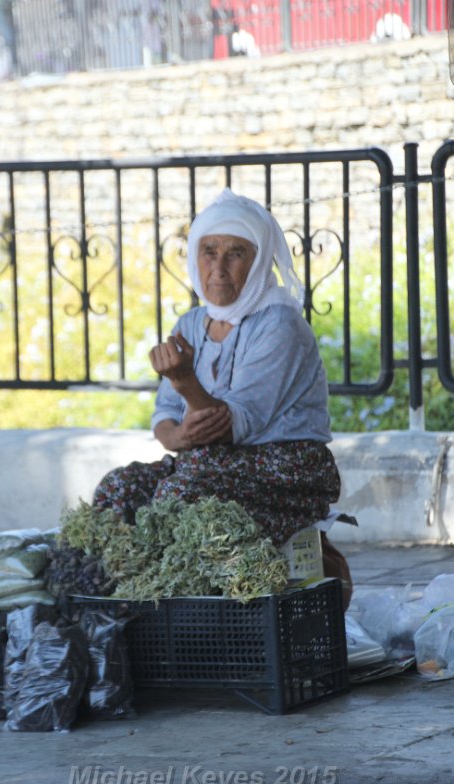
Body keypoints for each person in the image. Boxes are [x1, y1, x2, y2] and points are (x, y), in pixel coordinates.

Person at [93, 189, 352, 607]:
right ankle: (123, 609)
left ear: (260, 259)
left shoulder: (280, 324)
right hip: (208, 462)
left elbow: (231, 425)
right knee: (119, 490)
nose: (219, 268)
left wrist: (185, 381)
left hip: (285, 469)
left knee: (179, 498)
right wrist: (176, 437)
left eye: (236, 253)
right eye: (209, 251)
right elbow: (165, 418)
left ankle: (180, 612)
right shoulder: (192, 323)